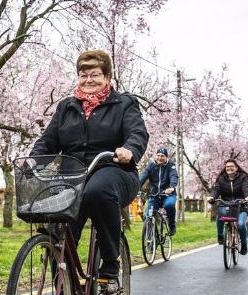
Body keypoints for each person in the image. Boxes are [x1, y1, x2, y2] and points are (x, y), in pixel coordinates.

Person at [31, 49, 148, 281]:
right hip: (74, 176)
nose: (88, 80)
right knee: (60, 232)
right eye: (83, 75)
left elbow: (137, 133)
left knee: (97, 191)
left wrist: (130, 150)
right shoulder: (67, 107)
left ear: (107, 77)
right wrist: (34, 159)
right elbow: (48, 140)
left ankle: (110, 262)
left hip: (114, 170)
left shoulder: (124, 103)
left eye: (94, 75)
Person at [206, 159, 248, 255]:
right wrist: (212, 196)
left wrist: (247, 197)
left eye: (231, 166)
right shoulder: (221, 178)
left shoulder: (242, 177)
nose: (229, 168)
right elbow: (216, 189)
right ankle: (220, 236)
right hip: (226, 204)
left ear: (236, 168)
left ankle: (244, 244)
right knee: (220, 216)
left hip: (241, 204)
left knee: (240, 224)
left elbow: (245, 187)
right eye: (227, 166)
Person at [139, 147, 178, 235]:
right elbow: (143, 176)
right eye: (158, 155)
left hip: (168, 194)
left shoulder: (170, 165)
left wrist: (171, 187)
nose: (160, 158)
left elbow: (173, 176)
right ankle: (152, 238)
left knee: (169, 205)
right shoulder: (151, 165)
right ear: (156, 156)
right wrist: (136, 186)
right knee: (147, 216)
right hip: (154, 194)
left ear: (166, 157)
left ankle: (172, 225)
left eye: (162, 156)